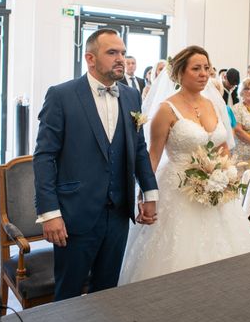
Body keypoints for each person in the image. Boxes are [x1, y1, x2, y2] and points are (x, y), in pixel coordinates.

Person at [119, 46, 250, 284]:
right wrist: (144, 195)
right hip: (176, 188)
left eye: (206, 68)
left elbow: (223, 147)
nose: (204, 74)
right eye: (196, 68)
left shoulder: (214, 105)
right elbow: (152, 157)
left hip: (217, 190)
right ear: (179, 73)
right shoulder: (165, 109)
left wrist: (225, 173)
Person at [33, 28, 158, 301]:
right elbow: (44, 157)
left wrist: (149, 193)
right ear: (90, 58)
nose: (121, 59)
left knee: (108, 294)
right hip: (75, 213)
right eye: (112, 52)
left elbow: (138, 149)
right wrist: (49, 212)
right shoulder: (61, 95)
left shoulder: (131, 97)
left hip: (118, 214)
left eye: (123, 52)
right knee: (67, 295)